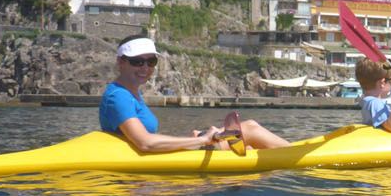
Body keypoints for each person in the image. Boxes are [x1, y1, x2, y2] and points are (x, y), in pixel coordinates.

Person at [100, 36, 290, 152]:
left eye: (151, 62)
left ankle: (291, 152)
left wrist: (192, 137)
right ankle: (301, 156)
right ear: (121, 62)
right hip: (146, 157)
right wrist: (200, 140)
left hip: (152, 155)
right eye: (137, 62)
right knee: (250, 129)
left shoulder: (131, 94)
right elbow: (145, 143)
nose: (145, 67)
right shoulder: (118, 96)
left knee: (248, 141)